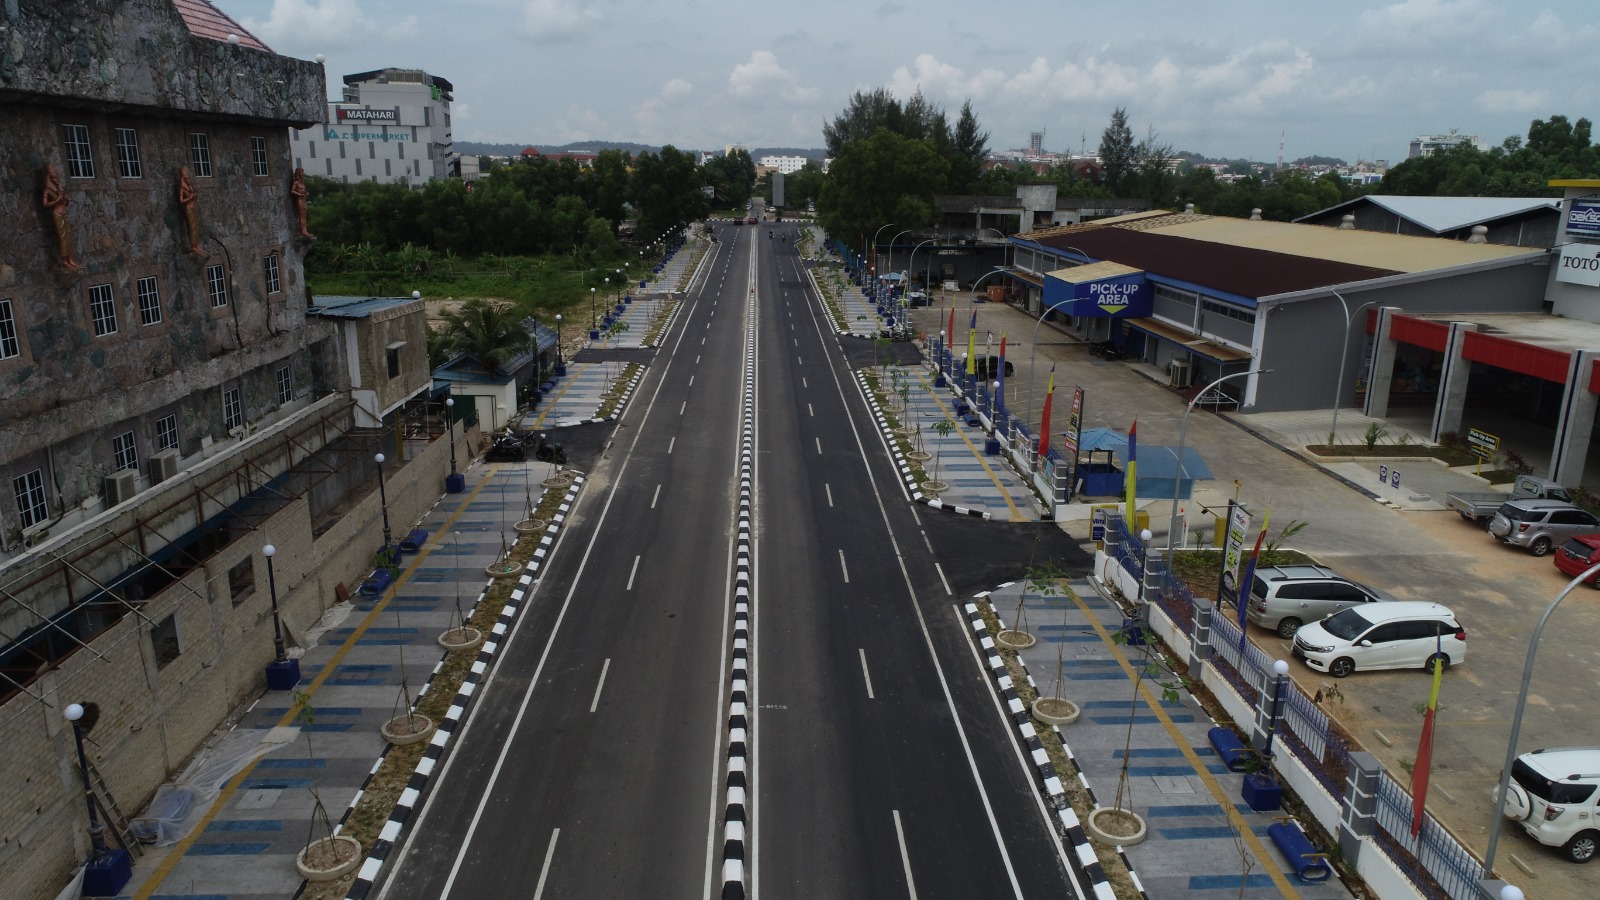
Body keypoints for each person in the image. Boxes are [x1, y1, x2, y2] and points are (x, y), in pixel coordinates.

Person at [41, 163, 82, 271]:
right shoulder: (48, 191)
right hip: (57, 214)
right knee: (62, 237)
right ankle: (64, 260)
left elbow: (66, 203)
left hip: (64, 213)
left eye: (56, 177)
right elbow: (45, 204)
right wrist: (56, 200)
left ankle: (70, 258)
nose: (55, 180)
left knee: (68, 236)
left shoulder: (59, 190)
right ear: (49, 178)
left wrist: (65, 198)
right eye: (53, 178)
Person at [178, 167, 201, 254]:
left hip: (193, 207)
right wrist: (189, 198)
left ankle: (197, 244)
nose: (188, 179)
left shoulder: (189, 186)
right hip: (188, 208)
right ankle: (193, 246)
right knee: (191, 226)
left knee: (196, 225)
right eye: (186, 178)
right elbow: (181, 200)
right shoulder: (182, 188)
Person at [291, 167, 312, 239]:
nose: (303, 174)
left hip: (303, 199)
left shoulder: (302, 183)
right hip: (299, 199)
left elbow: (303, 190)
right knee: (302, 215)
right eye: (301, 172)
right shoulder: (296, 183)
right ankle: (303, 231)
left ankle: (304, 230)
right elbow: (292, 191)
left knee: (304, 216)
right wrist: (299, 195)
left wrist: (305, 193)